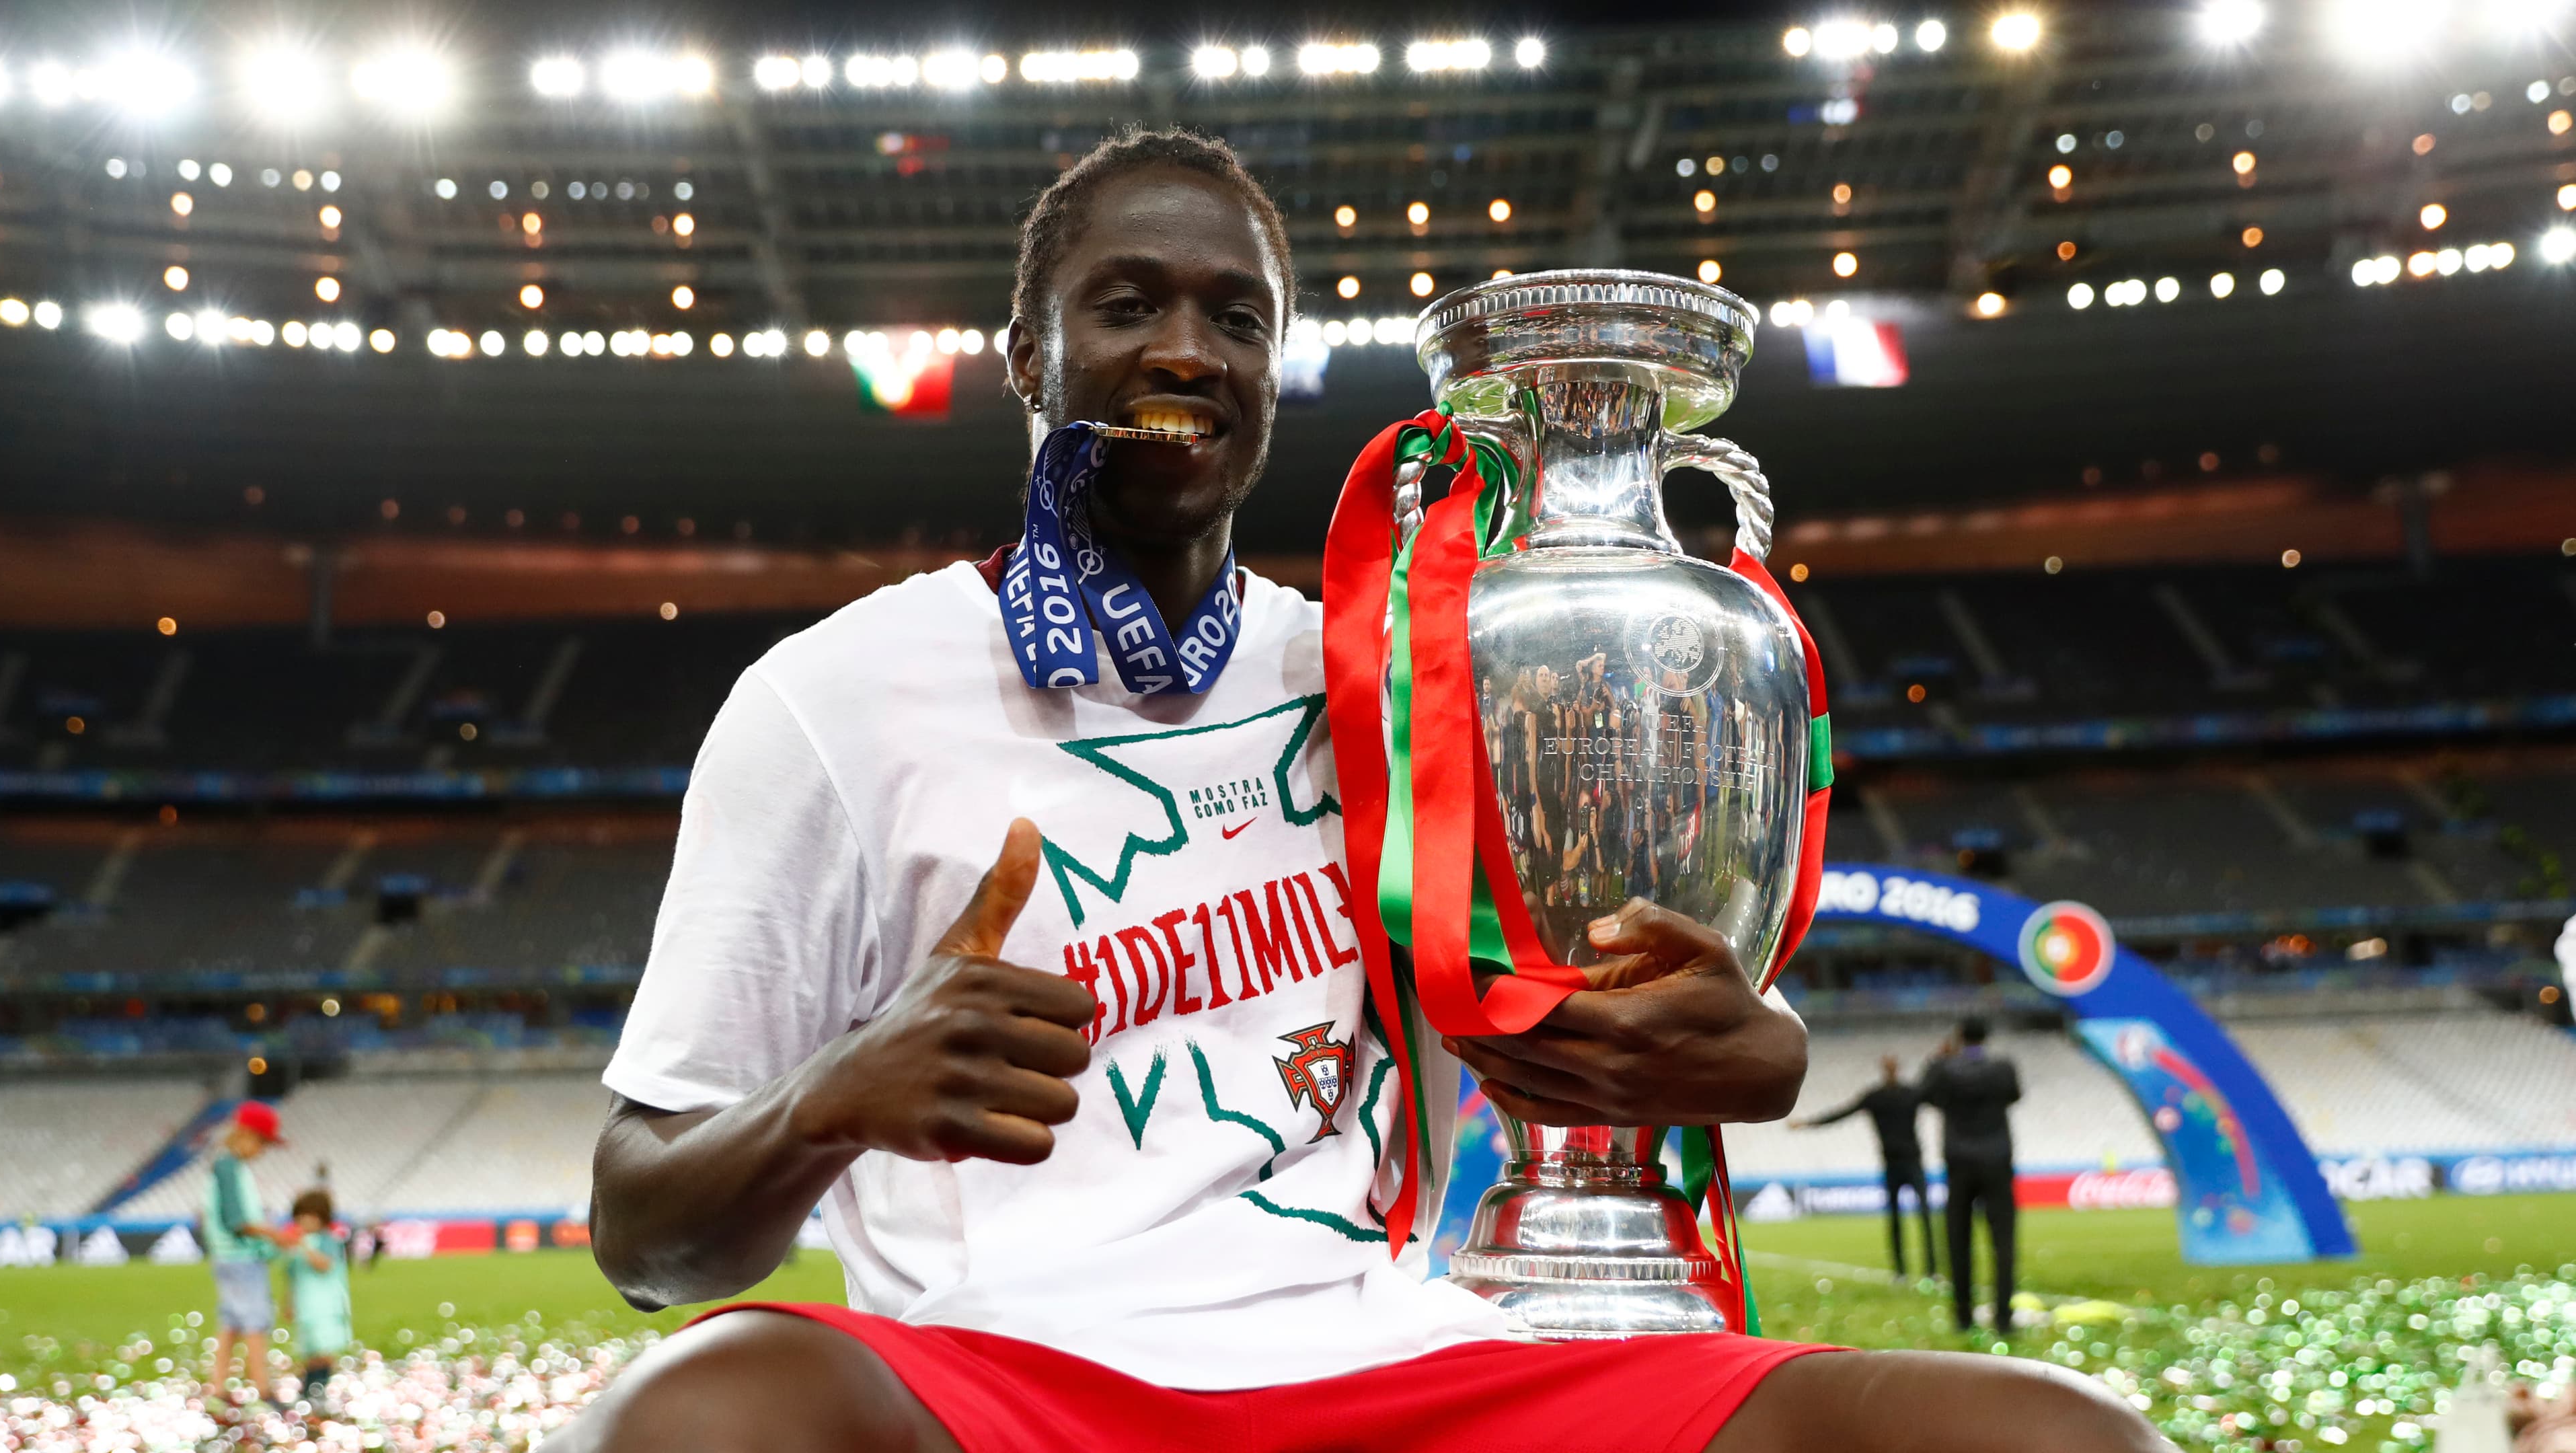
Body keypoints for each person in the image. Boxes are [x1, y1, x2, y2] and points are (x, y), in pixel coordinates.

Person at [556, 128, 2166, 1453]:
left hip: (1396, 1370)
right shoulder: (831, 698)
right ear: (1024, 355)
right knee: (687, 1418)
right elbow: (647, 1236)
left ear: (1274, 369)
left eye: (1234, 317)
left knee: (2054, 1435)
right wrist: (834, 1091)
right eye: (1124, 304)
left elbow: (1565, 1006)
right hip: (1007, 1387)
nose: (1183, 347)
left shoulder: (1398, 678)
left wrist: (1746, 1047)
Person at [1920, 1017, 2024, 1335]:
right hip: (1996, 1159)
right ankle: (2004, 1318)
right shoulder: (2003, 1067)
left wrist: (1939, 1059)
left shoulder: (1946, 1069)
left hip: (1959, 1161)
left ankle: (1963, 1316)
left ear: (1960, 1037)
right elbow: (2014, 1095)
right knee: (2003, 1242)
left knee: (1958, 1240)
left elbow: (1923, 1094)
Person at [1790, 1052, 1936, 1279]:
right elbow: (1842, 1113)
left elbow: (1933, 1089)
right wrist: (1809, 1123)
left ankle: (1931, 1270)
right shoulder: (1876, 1096)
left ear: (1896, 1068)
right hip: (1893, 1164)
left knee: (1925, 1217)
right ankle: (1901, 1272)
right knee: (1896, 1220)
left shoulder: (1909, 1094)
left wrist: (1935, 1062)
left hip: (1913, 1162)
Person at [201, 1101, 287, 1406]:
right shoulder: (229, 1166)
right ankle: (263, 1391)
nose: (262, 1151)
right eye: (262, 1143)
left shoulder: (227, 1165)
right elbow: (236, 1221)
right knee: (255, 1321)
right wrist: (274, 1234)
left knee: (231, 1322)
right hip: (239, 1256)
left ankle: (218, 1390)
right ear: (247, 1136)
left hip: (227, 1256)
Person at [278, 1189, 354, 1403]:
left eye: (308, 1216)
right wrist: (289, 1303)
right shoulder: (295, 1247)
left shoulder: (328, 1240)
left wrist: (305, 1246)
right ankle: (308, 1388)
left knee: (325, 1348)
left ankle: (320, 1388)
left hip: (326, 1305)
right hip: (306, 1305)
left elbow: (324, 1265)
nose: (303, 1221)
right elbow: (291, 1277)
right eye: (299, 1216)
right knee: (310, 1350)